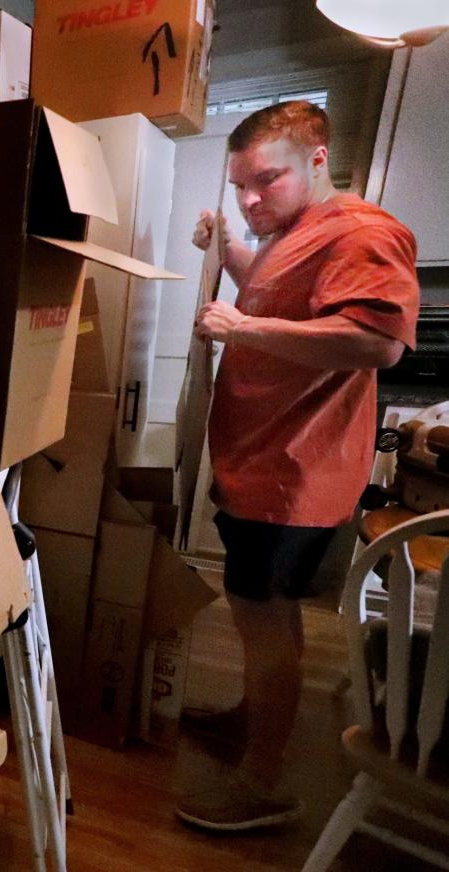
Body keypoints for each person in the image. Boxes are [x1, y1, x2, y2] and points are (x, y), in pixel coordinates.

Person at [175, 100, 420, 832]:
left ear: (319, 160)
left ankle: (263, 784)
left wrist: (241, 325)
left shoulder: (363, 233)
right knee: (264, 618)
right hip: (264, 465)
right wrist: (226, 254)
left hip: (292, 476)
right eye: (240, 186)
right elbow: (288, 296)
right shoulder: (295, 232)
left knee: (264, 621)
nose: (251, 200)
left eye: (266, 181)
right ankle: (255, 720)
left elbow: (374, 341)